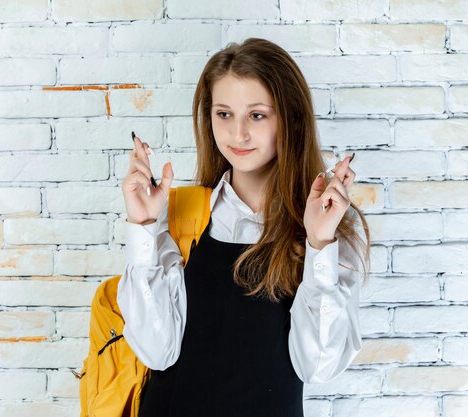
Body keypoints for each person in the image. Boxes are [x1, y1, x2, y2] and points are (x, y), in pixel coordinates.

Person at [118, 37, 371, 417]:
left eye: (256, 115)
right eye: (223, 114)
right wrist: (144, 225)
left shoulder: (329, 223)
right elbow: (157, 351)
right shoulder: (183, 212)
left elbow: (318, 367)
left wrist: (319, 243)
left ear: (291, 118)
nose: (238, 134)